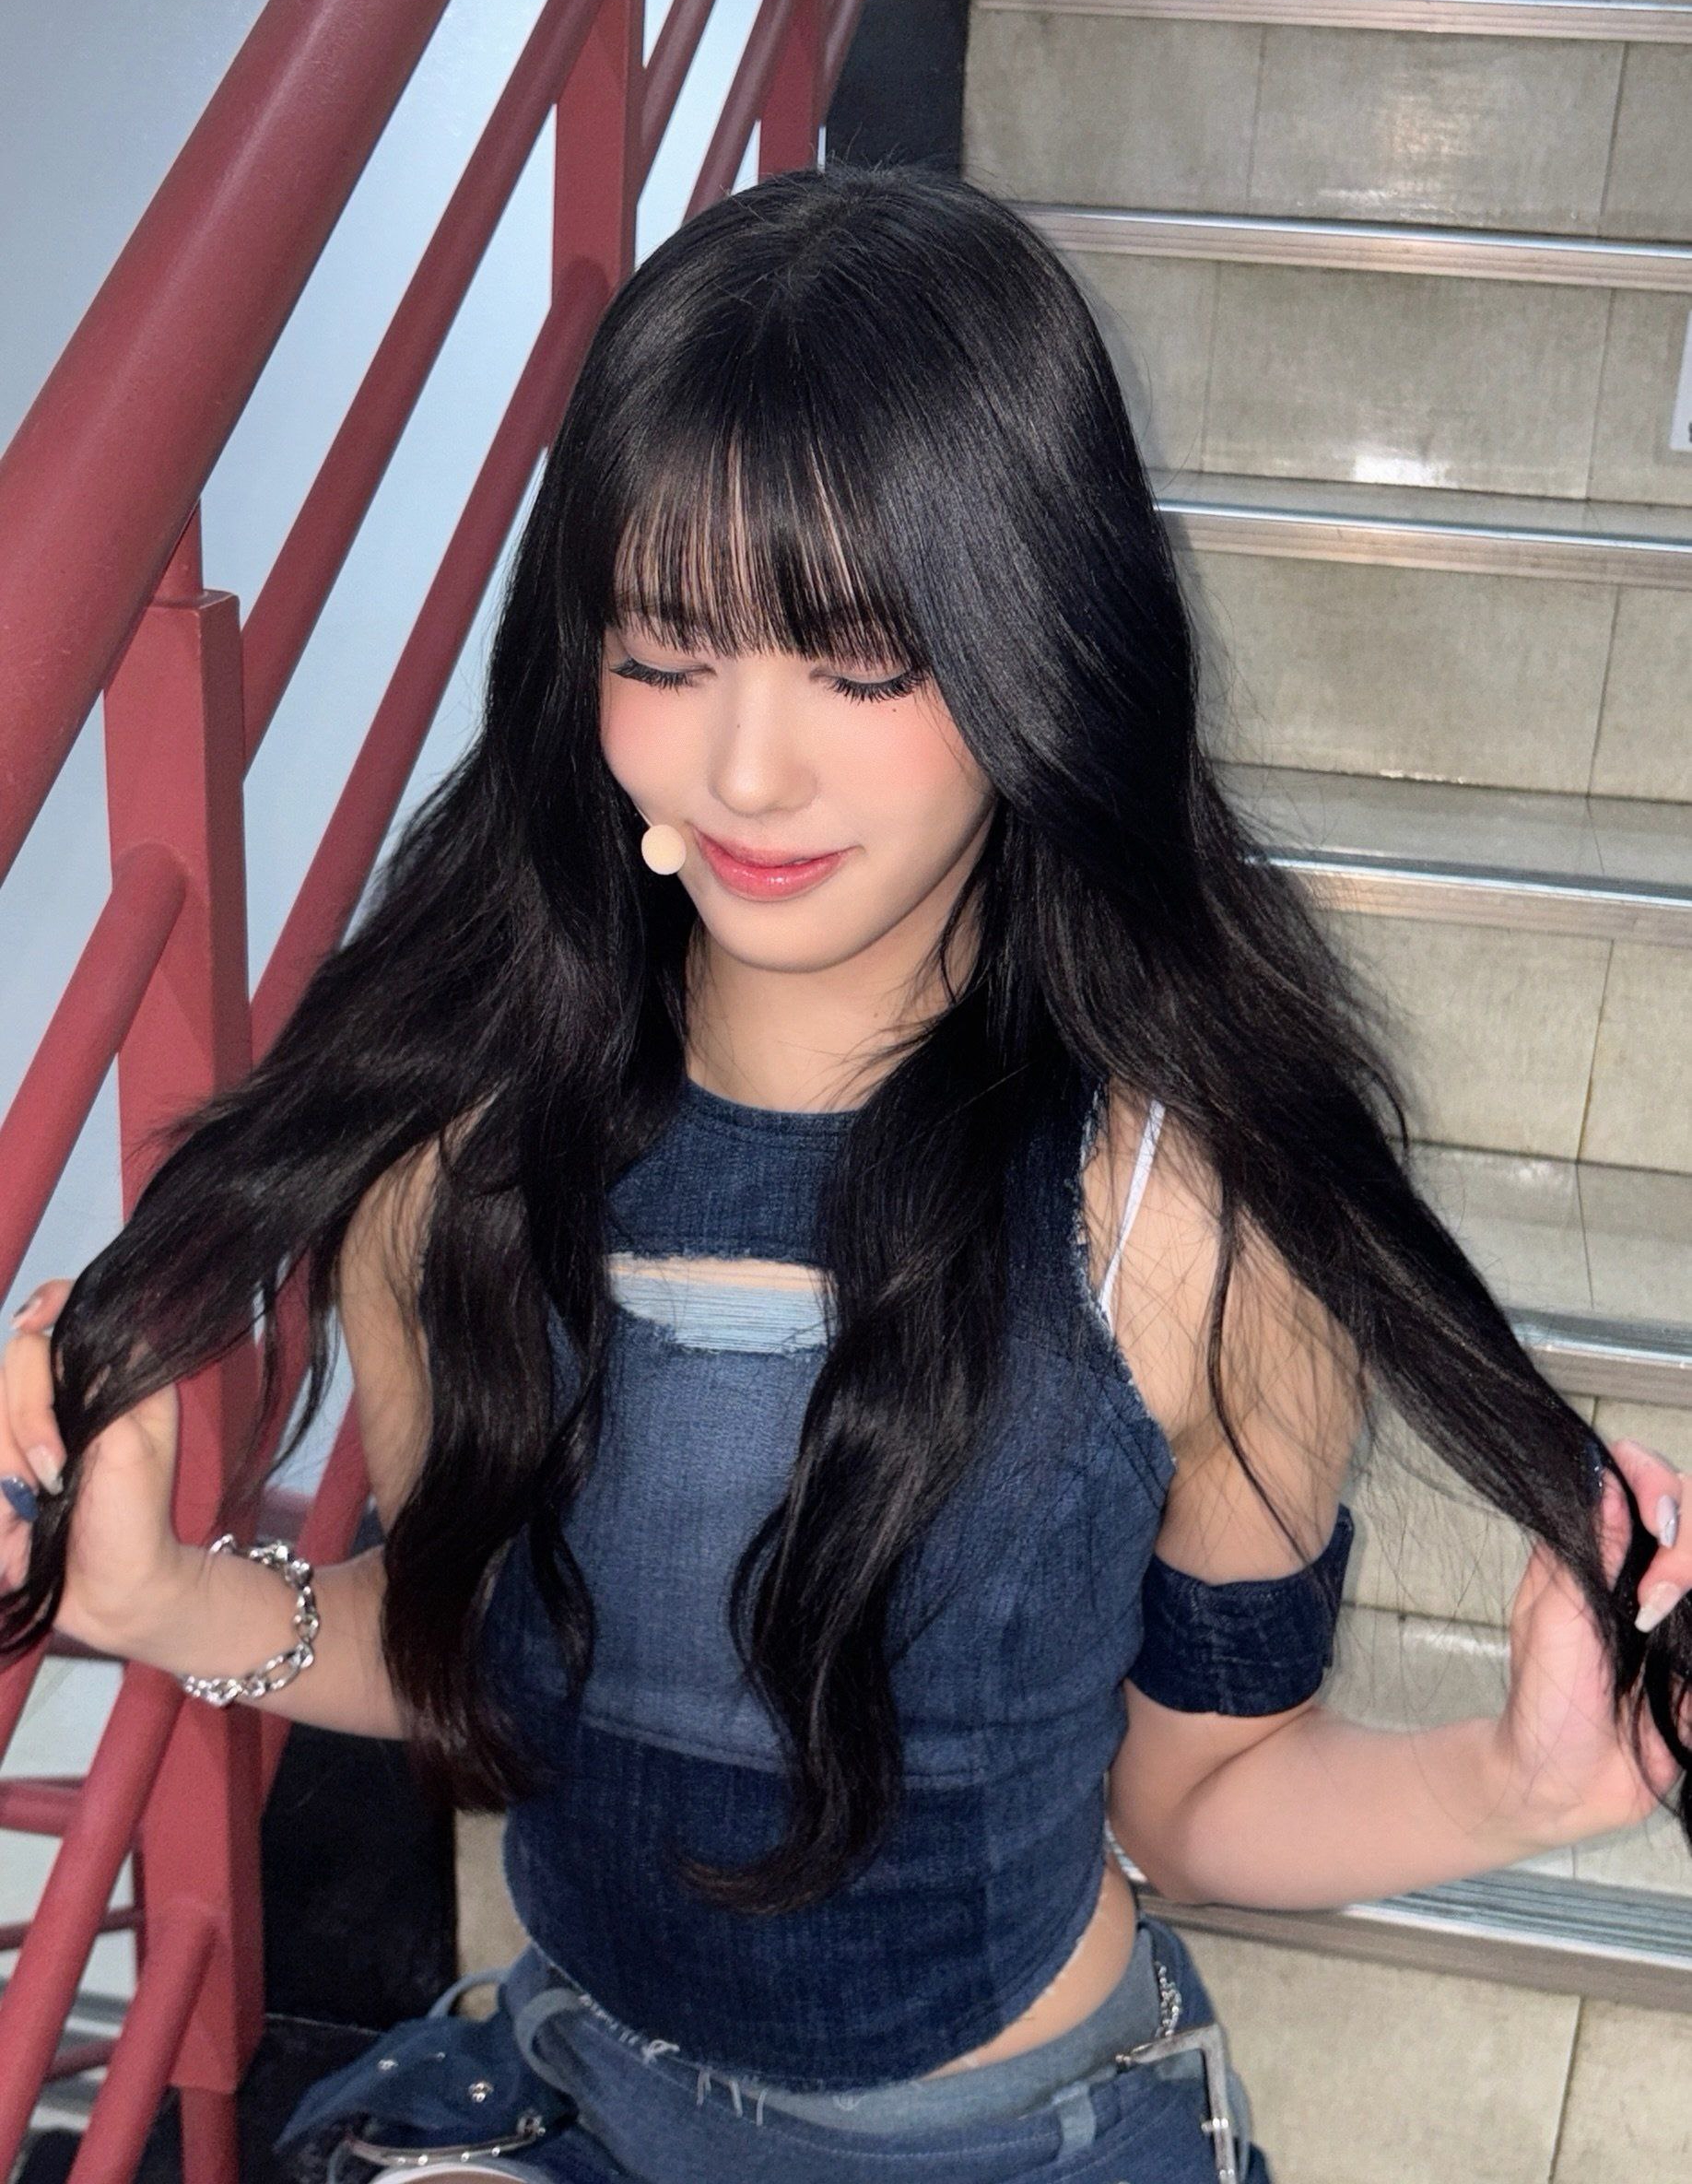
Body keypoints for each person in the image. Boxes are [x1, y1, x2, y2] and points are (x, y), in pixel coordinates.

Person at [2, 159, 1688, 2184]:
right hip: (574, 2091)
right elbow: (509, 1685)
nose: (746, 770)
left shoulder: (1180, 1224)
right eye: (667, 648)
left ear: (1037, 641)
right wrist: (162, 1599)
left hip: (1008, 2143)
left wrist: (1520, 1783)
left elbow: (1191, 1802)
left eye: (861, 661)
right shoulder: (463, 1149)